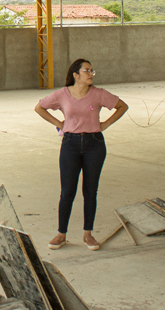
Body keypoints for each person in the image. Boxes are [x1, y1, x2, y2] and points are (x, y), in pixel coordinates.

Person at [34, 59, 128, 250]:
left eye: (92, 71)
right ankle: (61, 234)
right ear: (76, 75)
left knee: (90, 191)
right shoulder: (62, 94)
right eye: (87, 71)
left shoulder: (99, 94)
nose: (91, 74)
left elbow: (122, 106)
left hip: (95, 145)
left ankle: (88, 234)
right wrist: (59, 123)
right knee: (67, 191)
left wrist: (106, 124)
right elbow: (39, 108)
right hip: (70, 144)